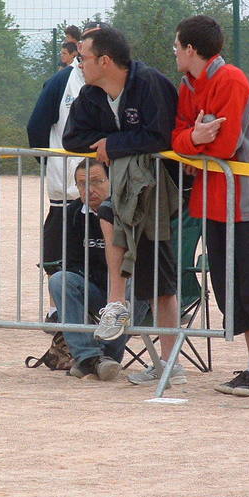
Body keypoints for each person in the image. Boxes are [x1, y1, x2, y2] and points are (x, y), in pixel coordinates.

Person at [63, 25, 183, 386]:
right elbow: (72, 138)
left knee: (161, 283)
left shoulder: (149, 83)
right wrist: (116, 142)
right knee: (110, 212)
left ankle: (170, 363)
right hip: (123, 194)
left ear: (105, 59)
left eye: (82, 57)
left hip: (159, 192)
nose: (78, 64)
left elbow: (160, 135)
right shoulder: (91, 93)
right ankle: (117, 304)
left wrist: (112, 146)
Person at [171, 15, 249, 397]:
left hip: (246, 202)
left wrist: (194, 140)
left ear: (191, 49)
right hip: (211, 204)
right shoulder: (188, 85)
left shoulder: (231, 79)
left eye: (177, 45)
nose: (174, 52)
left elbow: (225, 146)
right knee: (229, 288)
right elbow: (177, 138)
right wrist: (195, 135)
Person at [49, 158, 152, 381]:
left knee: (135, 279)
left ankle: (102, 357)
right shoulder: (73, 213)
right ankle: (91, 358)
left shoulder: (130, 210)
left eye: (96, 182)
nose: (89, 190)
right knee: (59, 279)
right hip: (96, 289)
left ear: (112, 181)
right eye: (82, 184)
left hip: (133, 292)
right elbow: (71, 263)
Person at [27, 48, 86, 324]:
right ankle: (56, 310)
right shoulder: (61, 81)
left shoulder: (115, 80)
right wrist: (51, 164)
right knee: (58, 251)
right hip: (65, 190)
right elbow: (36, 126)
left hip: (102, 192)